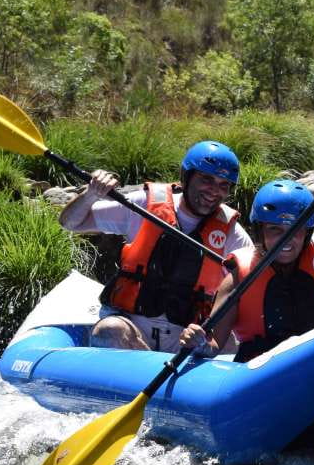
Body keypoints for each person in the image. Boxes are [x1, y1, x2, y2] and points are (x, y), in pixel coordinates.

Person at [179, 165, 314, 361]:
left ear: (307, 233)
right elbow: (214, 344)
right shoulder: (237, 280)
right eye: (275, 229)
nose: (286, 239)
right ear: (259, 231)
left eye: (295, 230)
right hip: (266, 374)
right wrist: (199, 343)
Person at [59, 141, 251, 352]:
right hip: (131, 330)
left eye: (224, 184)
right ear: (185, 177)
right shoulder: (143, 205)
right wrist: (91, 194)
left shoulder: (230, 231)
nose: (214, 191)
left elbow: (252, 280)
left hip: (186, 339)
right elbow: (70, 223)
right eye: (206, 179)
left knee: (230, 344)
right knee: (109, 330)